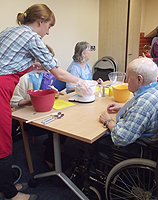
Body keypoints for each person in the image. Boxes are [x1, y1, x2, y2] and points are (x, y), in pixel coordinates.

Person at [0, 4, 92, 200]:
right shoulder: (32, 37)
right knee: (3, 143)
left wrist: (32, 64)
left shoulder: (10, 30)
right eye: (49, 27)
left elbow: (8, 60)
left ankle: (6, 186)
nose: (48, 32)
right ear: (40, 22)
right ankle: (10, 195)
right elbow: (58, 72)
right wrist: (80, 81)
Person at [99, 57, 158, 147]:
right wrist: (125, 108)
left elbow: (120, 138)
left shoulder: (143, 106)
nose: (126, 81)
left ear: (139, 80)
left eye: (128, 77)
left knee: (97, 138)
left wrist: (108, 121)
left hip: (140, 148)